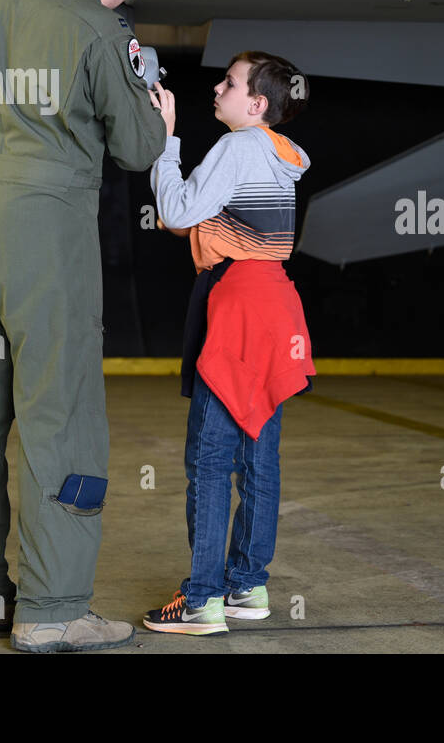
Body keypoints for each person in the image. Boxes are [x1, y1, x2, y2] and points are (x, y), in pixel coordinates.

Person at [0, 0, 166, 652]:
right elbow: (135, 146)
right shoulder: (103, 29)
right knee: (58, 411)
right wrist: (158, 111)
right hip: (44, 227)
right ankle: (53, 606)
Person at [141, 51, 315, 635]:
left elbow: (176, 210)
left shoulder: (242, 146)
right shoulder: (281, 156)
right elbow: (197, 218)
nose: (218, 88)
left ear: (257, 103)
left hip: (239, 304)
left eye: (230, 82)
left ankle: (202, 600)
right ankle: (247, 584)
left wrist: (166, 142)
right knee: (259, 456)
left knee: (210, 461)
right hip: (276, 306)